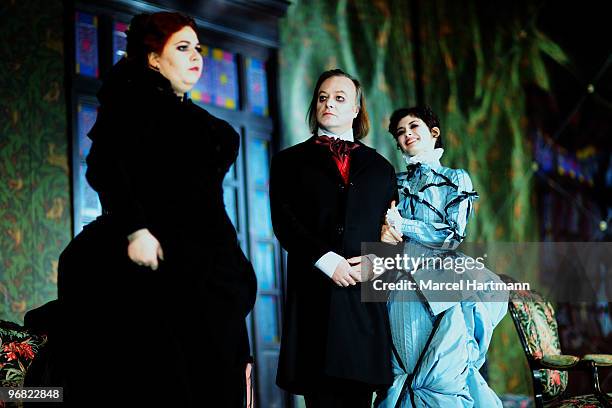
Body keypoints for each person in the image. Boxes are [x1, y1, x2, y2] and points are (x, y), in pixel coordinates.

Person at [53, 12, 256, 406]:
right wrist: (136, 230)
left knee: (216, 377)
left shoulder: (203, 125)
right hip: (157, 262)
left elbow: (208, 204)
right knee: (163, 378)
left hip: (209, 264)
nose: (195, 56)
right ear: (152, 59)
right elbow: (105, 166)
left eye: (197, 48)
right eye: (182, 48)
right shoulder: (132, 107)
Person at [270, 69, 396, 407]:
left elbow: (392, 230)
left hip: (363, 307)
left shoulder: (381, 168)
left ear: (356, 108)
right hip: (314, 301)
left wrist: (375, 262)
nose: (329, 104)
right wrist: (328, 262)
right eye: (323, 97)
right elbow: (284, 222)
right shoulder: (288, 162)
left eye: (340, 98)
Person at [375, 106, 507, 407]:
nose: (407, 134)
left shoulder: (456, 178)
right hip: (399, 285)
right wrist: (386, 232)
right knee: (405, 368)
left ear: (433, 132)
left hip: (441, 282)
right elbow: (384, 234)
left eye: (414, 126)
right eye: (400, 132)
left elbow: (451, 234)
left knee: (442, 376)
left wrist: (403, 224)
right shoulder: (394, 182)